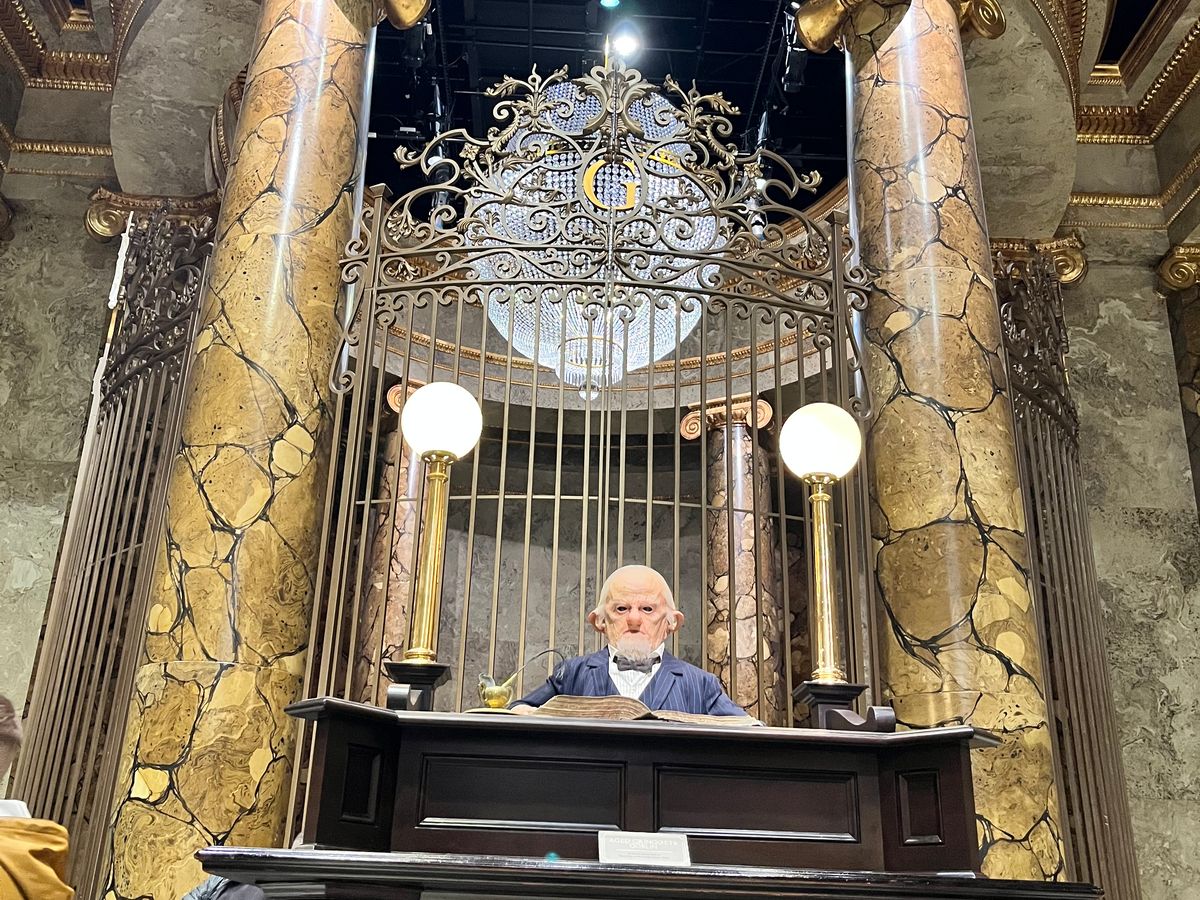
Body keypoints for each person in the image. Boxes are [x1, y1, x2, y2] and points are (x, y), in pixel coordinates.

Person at [513, 565, 747, 716]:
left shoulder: (702, 684)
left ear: (672, 622)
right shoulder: (572, 674)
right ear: (600, 621)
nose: (634, 620)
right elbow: (517, 712)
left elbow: (749, 734)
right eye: (622, 609)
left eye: (647, 609)